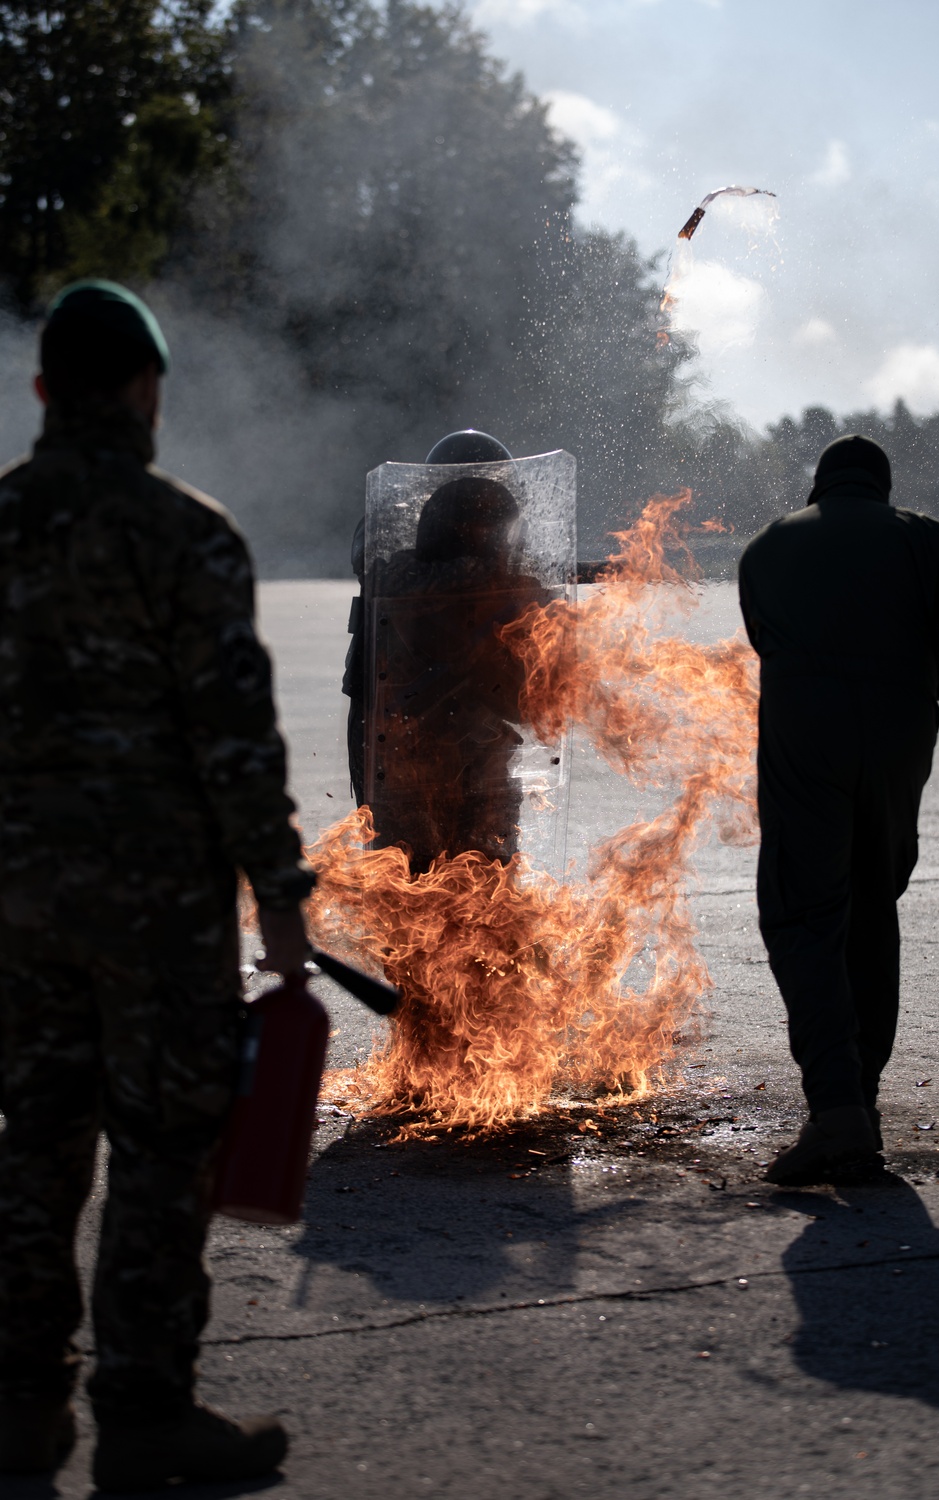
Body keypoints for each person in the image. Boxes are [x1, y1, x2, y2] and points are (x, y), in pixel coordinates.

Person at [0, 281, 314, 1488]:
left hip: (18, 899)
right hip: (157, 904)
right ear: (148, 389)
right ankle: (141, 1418)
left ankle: (20, 1407)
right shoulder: (186, 534)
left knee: (33, 1140)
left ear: (41, 393)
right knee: (163, 1144)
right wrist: (279, 896)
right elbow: (234, 735)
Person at [739, 434, 939, 1186]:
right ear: (881, 488)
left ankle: (837, 1111)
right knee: (870, 911)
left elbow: (781, 644)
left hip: (804, 748)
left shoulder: (766, 547)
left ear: (821, 486)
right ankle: (864, 1105)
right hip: (895, 745)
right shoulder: (924, 538)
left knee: (804, 918)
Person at [344, 429, 546, 872]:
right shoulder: (397, 571)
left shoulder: (505, 587)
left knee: (488, 876)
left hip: (482, 751)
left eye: (491, 511)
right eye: (470, 508)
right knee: (410, 879)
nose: (481, 524)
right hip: (399, 753)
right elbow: (383, 570)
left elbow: (526, 703)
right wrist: (479, 583)